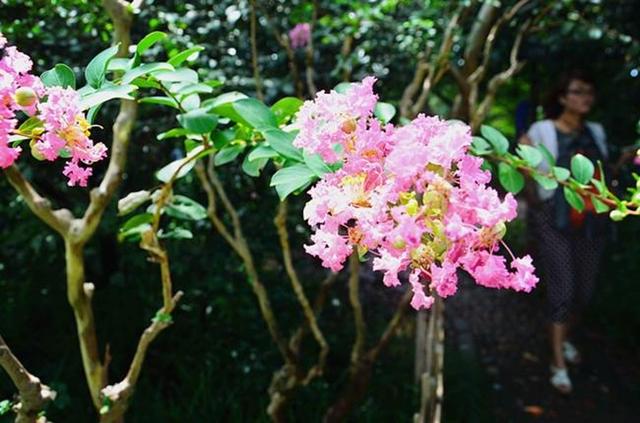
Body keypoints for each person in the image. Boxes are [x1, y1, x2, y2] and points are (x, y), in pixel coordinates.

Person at [519, 70, 609, 394]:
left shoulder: (596, 132)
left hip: (592, 222)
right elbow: (525, 164)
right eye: (577, 91)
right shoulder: (543, 129)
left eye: (588, 92)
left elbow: (604, 171)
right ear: (562, 98)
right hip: (552, 219)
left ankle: (566, 338)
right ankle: (558, 363)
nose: (585, 97)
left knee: (584, 291)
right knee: (563, 288)